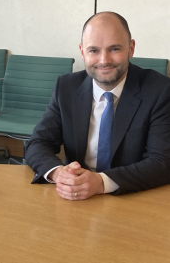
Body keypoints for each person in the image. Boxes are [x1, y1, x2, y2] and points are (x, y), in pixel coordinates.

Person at [25, 11, 170, 200]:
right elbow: (38, 143)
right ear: (82, 51)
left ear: (131, 48)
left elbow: (162, 161)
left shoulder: (160, 90)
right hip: (76, 196)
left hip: (133, 196)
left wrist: (101, 182)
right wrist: (59, 173)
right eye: (94, 50)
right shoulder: (66, 87)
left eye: (114, 49)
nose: (104, 61)